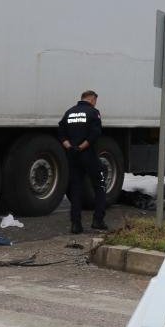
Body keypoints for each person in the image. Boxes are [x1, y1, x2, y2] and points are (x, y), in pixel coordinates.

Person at [58, 90, 106, 234]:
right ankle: (98, 220)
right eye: (95, 101)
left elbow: (61, 132)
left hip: (72, 155)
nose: (95, 103)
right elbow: (95, 134)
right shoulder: (93, 112)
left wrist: (70, 147)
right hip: (88, 155)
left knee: (76, 189)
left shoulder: (69, 112)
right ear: (91, 99)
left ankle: (76, 225)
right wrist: (81, 147)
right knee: (100, 185)